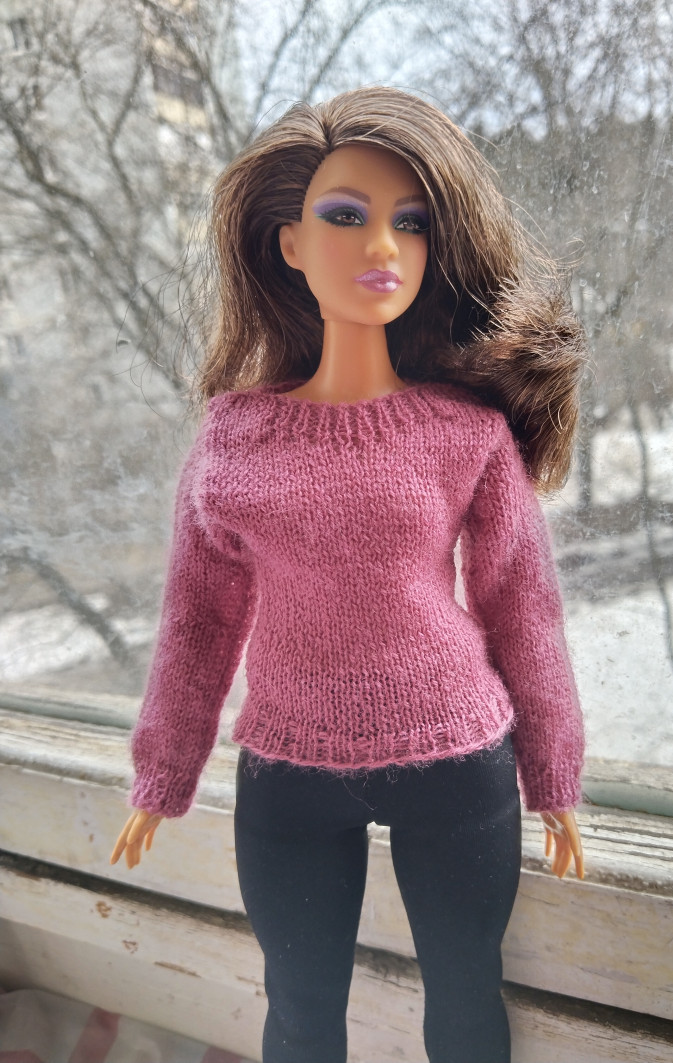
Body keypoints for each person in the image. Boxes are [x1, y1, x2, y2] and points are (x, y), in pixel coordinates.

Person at [111, 86, 587, 1063]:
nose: (382, 247)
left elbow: (521, 608)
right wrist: (162, 771)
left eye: (410, 224)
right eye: (344, 215)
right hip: (289, 766)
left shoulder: (466, 434)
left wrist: (553, 770)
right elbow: (198, 620)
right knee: (297, 1009)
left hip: (456, 754)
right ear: (287, 242)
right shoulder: (234, 437)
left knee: (464, 994)